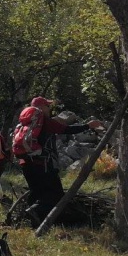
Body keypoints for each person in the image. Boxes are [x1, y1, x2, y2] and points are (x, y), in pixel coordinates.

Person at [14, 96, 103, 227]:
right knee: (56, 194)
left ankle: (30, 220)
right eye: (47, 106)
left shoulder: (23, 124)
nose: (49, 109)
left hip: (26, 163)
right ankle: (35, 212)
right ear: (42, 107)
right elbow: (67, 130)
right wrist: (87, 126)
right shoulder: (45, 121)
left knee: (36, 191)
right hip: (43, 164)